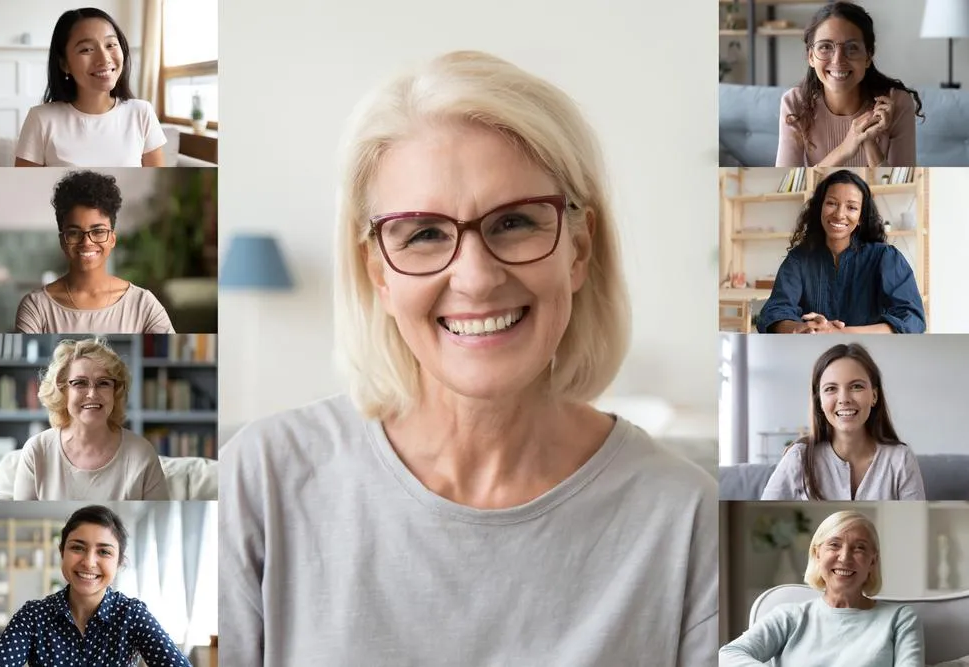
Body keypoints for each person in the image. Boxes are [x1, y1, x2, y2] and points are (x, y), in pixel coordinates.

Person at [219, 50, 718, 665]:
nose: (477, 279)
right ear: (378, 270)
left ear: (579, 247)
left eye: (514, 222)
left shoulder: (685, 518)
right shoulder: (261, 479)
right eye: (424, 233)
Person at [0, 505, 190, 666]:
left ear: (119, 562)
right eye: (77, 548)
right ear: (62, 552)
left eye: (104, 551)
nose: (89, 562)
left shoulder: (132, 614)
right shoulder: (33, 615)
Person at [719, 510, 924, 666]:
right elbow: (728, 655)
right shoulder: (789, 617)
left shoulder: (900, 619)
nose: (844, 557)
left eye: (859, 548)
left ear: (873, 561)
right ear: (817, 554)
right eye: (834, 545)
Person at [755, 170, 925, 334]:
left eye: (851, 207)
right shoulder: (799, 258)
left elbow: (912, 319)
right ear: (820, 208)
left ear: (861, 218)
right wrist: (802, 329)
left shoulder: (886, 257)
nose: (839, 214)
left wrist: (839, 332)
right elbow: (774, 312)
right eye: (831, 203)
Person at [15, 170, 176, 334]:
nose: (87, 242)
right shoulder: (36, 307)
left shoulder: (142, 304)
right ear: (62, 240)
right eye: (74, 232)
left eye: (98, 231)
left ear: (112, 239)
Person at [761, 343, 925, 501]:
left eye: (856, 387)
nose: (844, 399)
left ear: (874, 396)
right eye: (831, 389)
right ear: (819, 401)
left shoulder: (901, 459)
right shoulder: (798, 457)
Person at [13, 338, 170, 500]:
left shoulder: (142, 453)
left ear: (115, 392)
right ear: (62, 391)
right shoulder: (37, 451)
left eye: (103, 383)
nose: (92, 394)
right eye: (80, 383)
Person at [775, 2, 923, 168]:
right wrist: (846, 148)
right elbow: (789, 184)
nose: (838, 60)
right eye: (825, 47)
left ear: (868, 57)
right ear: (811, 57)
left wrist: (868, 142)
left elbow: (901, 187)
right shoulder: (795, 103)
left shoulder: (897, 103)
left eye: (852, 48)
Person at [15, 8, 166, 167]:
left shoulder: (142, 113)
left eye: (111, 45)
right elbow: (21, 188)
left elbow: (160, 189)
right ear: (64, 64)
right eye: (86, 49)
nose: (104, 59)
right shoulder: (41, 119)